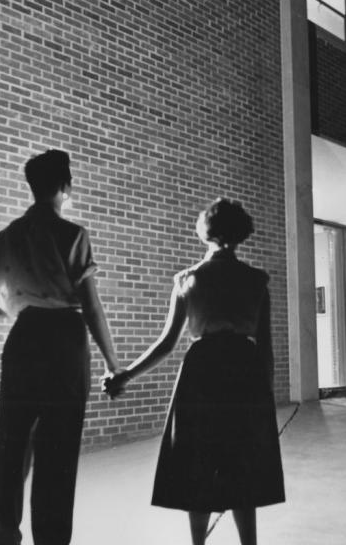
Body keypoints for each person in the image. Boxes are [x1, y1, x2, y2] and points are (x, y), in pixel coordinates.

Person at [104, 198, 284, 545]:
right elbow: (266, 347)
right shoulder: (257, 280)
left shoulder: (188, 279)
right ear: (241, 232)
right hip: (244, 373)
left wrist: (125, 375)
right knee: (240, 464)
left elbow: (166, 344)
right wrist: (267, 396)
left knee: (198, 462)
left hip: (201, 373)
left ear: (205, 232)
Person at [0, 149, 121, 545]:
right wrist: (113, 364)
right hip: (64, 341)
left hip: (23, 338)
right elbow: (91, 306)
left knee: (10, 447)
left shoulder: (4, 238)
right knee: (57, 454)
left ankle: (3, 537)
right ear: (64, 186)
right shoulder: (72, 235)